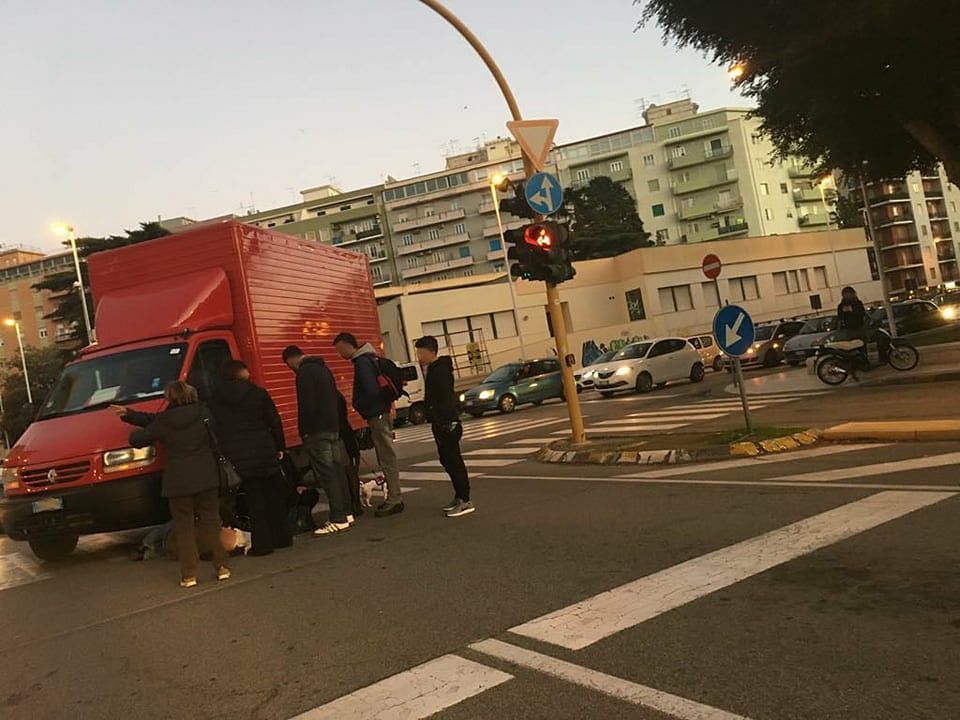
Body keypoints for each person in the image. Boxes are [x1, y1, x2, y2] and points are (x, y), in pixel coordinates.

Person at [111, 381, 229, 588]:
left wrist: (128, 418)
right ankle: (221, 567)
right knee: (212, 522)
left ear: (170, 398)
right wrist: (130, 414)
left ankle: (189, 575)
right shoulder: (204, 413)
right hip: (206, 477)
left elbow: (139, 438)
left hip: (178, 482)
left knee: (185, 529)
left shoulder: (165, 421)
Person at [210, 360, 292, 556]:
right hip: (264, 449)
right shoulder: (258, 393)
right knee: (274, 495)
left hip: (239, 454)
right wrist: (280, 446)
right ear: (241, 373)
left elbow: (216, 429)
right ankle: (283, 537)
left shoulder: (216, 400)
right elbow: (274, 421)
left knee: (254, 500)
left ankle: (263, 543)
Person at [282, 346, 355, 535]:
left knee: (327, 473)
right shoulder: (323, 368)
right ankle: (347, 512)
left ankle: (338, 518)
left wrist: (304, 430)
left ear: (291, 360)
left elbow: (307, 405)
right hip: (332, 428)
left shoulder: (304, 373)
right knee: (337, 470)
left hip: (317, 431)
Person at [333, 333, 403, 518]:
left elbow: (371, 390)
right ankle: (394, 497)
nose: (339, 354)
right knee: (385, 454)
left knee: (386, 455)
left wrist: (359, 404)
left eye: (340, 349)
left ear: (349, 346)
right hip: (380, 411)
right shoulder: (367, 359)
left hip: (377, 413)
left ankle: (394, 499)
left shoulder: (362, 362)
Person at [415, 336, 474, 518]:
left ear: (430, 352)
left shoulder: (439, 371)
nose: (418, 356)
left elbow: (445, 398)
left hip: (447, 423)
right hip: (441, 422)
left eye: (420, 352)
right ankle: (459, 496)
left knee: (453, 460)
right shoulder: (433, 369)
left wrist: (446, 421)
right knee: (447, 459)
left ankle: (465, 500)